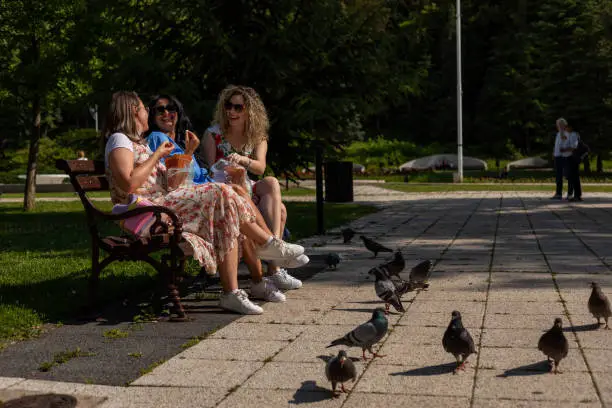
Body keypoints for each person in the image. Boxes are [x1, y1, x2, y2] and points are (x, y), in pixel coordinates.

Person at [103, 91, 307, 314]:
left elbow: (173, 185)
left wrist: (188, 152)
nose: (147, 112)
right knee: (222, 191)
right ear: (133, 111)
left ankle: (233, 291)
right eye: (144, 108)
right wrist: (157, 155)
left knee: (227, 201)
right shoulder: (119, 139)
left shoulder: (139, 143)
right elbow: (129, 185)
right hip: (146, 211)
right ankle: (268, 245)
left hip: (163, 205)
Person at [202, 85, 301, 291]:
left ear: (249, 110)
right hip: (226, 188)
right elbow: (210, 172)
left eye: (238, 107)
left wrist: (243, 160)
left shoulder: (257, 136)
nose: (232, 112)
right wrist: (229, 168)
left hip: (248, 185)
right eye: (228, 106)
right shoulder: (213, 134)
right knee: (280, 210)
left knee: (272, 182)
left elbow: (260, 167)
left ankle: (274, 247)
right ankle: (275, 266)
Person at [551, 118, 578, 200]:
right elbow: (556, 145)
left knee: (569, 175)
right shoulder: (558, 134)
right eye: (557, 125)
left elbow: (573, 146)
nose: (557, 126)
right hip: (557, 157)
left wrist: (565, 150)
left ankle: (570, 193)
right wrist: (554, 153)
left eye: (559, 125)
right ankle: (558, 193)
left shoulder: (569, 134)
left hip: (566, 157)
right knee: (558, 176)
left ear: (563, 125)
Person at [566, 125, 583, 202]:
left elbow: (574, 146)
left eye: (567, 127)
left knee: (574, 176)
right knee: (572, 176)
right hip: (572, 157)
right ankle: (576, 195)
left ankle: (577, 195)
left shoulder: (573, 135)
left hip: (573, 158)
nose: (565, 129)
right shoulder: (571, 135)